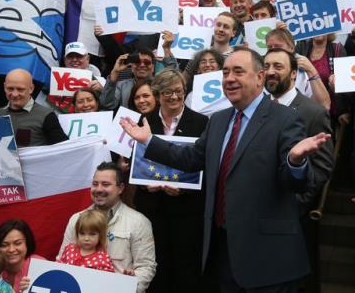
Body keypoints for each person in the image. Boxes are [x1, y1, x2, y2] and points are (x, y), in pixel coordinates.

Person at [120, 47, 330, 292]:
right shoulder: (219, 120)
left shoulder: (285, 119)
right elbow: (191, 158)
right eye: (226, 72)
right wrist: (148, 141)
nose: (229, 78)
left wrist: (295, 162)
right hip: (220, 251)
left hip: (266, 258)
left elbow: (298, 184)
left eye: (238, 72)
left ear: (260, 77)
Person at [264, 48, 334, 293]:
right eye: (267, 66)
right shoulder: (256, 109)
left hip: (296, 217)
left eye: (278, 67)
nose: (271, 72)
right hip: (260, 214)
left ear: (294, 74)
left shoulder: (312, 112)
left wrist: (297, 203)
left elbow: (323, 166)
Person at [134, 69, 208, 293]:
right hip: (152, 207)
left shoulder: (201, 122)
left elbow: (205, 165)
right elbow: (135, 160)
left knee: (185, 266)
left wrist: (185, 190)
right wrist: (144, 184)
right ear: (158, 94)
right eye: (168, 92)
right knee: (156, 264)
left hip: (186, 210)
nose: (174, 97)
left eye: (179, 91)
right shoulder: (144, 120)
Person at [58, 162, 156, 293]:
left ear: (120, 188)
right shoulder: (76, 219)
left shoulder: (139, 222)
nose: (98, 189)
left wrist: (127, 288)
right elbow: (61, 261)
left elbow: (146, 267)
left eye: (105, 184)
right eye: (95, 184)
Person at [0, 69, 68, 147]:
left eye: (20, 89)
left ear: (31, 88)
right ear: (4, 87)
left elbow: (63, 149)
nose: (15, 94)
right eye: (10, 89)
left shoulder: (46, 116)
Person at [0, 219, 45, 293]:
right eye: (4, 245)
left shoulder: (41, 266)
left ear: (27, 243)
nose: (11, 249)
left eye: (17, 243)